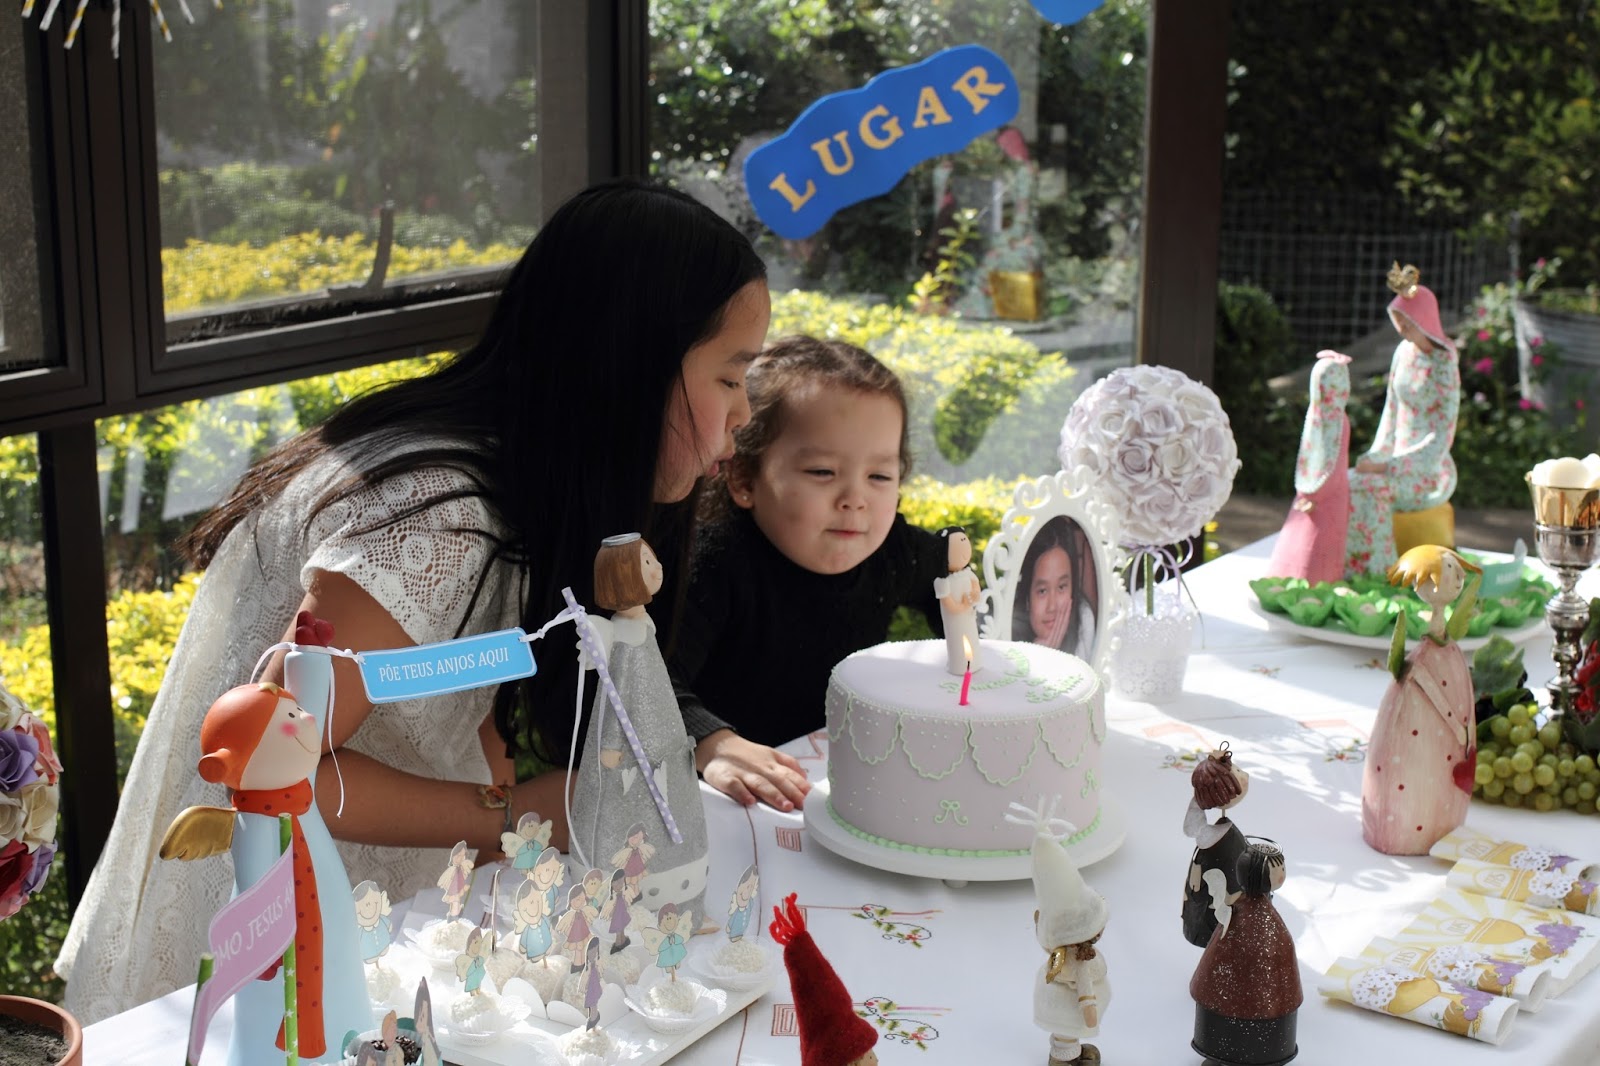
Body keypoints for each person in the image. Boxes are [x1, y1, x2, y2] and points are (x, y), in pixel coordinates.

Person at [56, 178, 770, 1024]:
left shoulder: (514, 487)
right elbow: (275, 771)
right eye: (731, 377)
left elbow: (462, 690)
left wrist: (502, 806)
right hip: (258, 937)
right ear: (632, 367)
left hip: (361, 919)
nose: (744, 413)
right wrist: (514, 816)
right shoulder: (439, 520)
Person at [668, 336, 951, 800]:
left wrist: (967, 657)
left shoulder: (892, 552)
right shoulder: (715, 564)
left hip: (842, 782)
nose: (855, 499)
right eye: (823, 471)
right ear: (744, 478)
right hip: (730, 803)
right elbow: (647, 682)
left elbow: (950, 577)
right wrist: (712, 743)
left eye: (880, 476)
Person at [1362, 545, 1478, 855]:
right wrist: (1459, 730)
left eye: (1458, 571)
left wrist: (1465, 733)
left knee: (1438, 773)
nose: (1458, 578)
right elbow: (1428, 688)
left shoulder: (1450, 653)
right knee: (1414, 765)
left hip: (1453, 743)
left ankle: (1441, 825)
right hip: (1431, 733)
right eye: (1449, 571)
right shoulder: (1425, 659)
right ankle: (1400, 829)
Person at [1190, 842, 1302, 1066]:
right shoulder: (1245, 913)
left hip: (1266, 1017)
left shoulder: (1254, 914)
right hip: (1231, 1008)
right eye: (1277, 870)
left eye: (1282, 869)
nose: (1282, 875)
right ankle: (1220, 1054)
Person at [1268, 350, 1358, 583]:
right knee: (1303, 538)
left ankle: (1317, 581)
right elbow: (1312, 456)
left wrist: (1314, 494)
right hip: (1316, 490)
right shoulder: (1321, 416)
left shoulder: (1333, 419)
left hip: (1324, 492)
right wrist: (1310, 492)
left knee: (1319, 540)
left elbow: (1335, 463)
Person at [1182, 745, 1251, 948]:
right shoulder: (1220, 842)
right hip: (1214, 923)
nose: (1245, 775)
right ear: (1222, 792)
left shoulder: (1220, 836)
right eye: (1237, 772)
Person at [1012, 516, 1097, 661]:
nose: (1052, 607)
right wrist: (1036, 659)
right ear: (1027, 597)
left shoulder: (1083, 619)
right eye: (1042, 591)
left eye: (1062, 587)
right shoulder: (1008, 633)